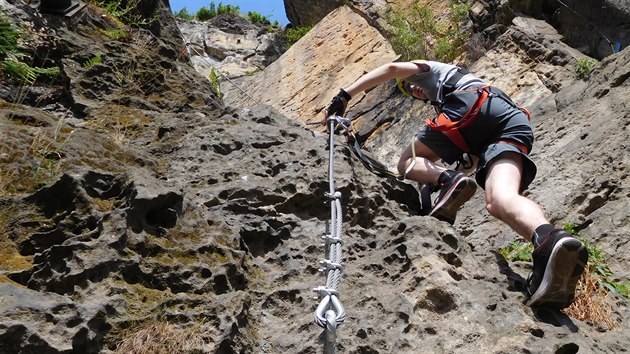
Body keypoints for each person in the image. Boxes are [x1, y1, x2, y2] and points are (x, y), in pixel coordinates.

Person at [323, 60, 588, 309]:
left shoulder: (432, 71)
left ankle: (445, 179)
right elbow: (469, 164)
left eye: (410, 84)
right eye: (410, 91)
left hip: (472, 105)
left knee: (405, 163)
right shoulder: (459, 90)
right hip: (511, 119)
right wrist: (445, 183)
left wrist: (344, 96)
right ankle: (548, 240)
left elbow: (392, 68)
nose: (413, 88)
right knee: (499, 199)